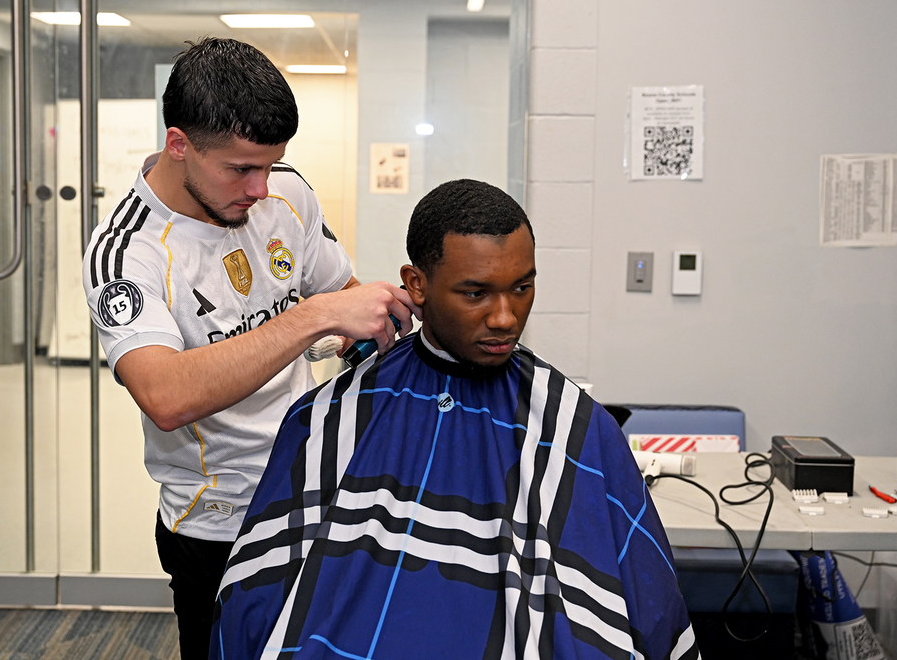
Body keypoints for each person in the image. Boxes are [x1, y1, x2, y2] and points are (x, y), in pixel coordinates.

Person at [210, 179, 699, 660]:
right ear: (416, 285)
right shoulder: (335, 413)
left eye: (522, 288)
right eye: (476, 293)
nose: (505, 316)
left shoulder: (575, 425)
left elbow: (650, 603)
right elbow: (256, 598)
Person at [82, 37, 417, 660]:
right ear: (179, 144)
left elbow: (338, 293)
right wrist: (314, 317)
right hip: (218, 522)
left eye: (270, 164)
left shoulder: (284, 193)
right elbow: (165, 395)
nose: (261, 188)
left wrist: (367, 319)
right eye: (240, 168)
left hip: (314, 488)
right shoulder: (128, 251)